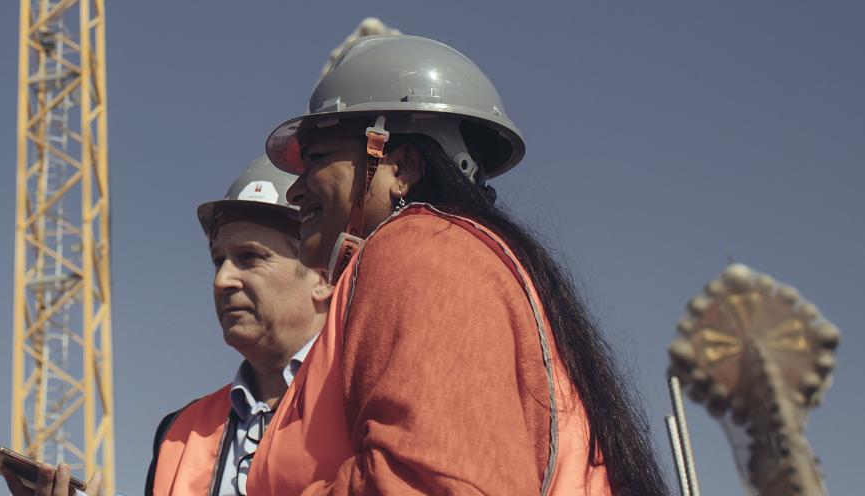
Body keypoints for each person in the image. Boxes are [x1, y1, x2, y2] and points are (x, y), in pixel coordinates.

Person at [248, 35, 668, 496]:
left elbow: (428, 482)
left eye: (317, 160)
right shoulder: (445, 255)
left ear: (401, 166)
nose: (295, 189)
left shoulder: (422, 251)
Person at [12, 159, 330, 496]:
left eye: (249, 257)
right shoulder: (179, 431)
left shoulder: (362, 396)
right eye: (218, 261)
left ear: (322, 275)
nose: (222, 280)